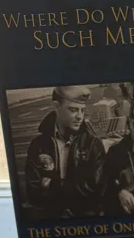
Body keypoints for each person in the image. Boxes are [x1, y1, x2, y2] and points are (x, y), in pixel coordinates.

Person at [23, 85, 106, 219]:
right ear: (56, 107)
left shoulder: (93, 144)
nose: (80, 117)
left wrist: (50, 185)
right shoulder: (39, 145)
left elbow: (96, 189)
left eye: (82, 110)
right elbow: (33, 193)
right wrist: (73, 190)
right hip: (51, 218)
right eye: (73, 110)